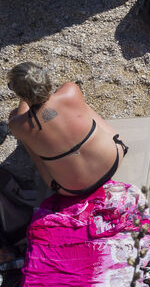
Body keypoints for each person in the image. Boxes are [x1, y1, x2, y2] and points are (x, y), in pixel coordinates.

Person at [5, 63, 128, 198]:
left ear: (20, 94)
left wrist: (25, 97)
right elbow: (51, 101)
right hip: (113, 160)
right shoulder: (70, 91)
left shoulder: (17, 125)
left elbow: (20, 114)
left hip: (71, 189)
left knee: (24, 133)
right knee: (79, 106)